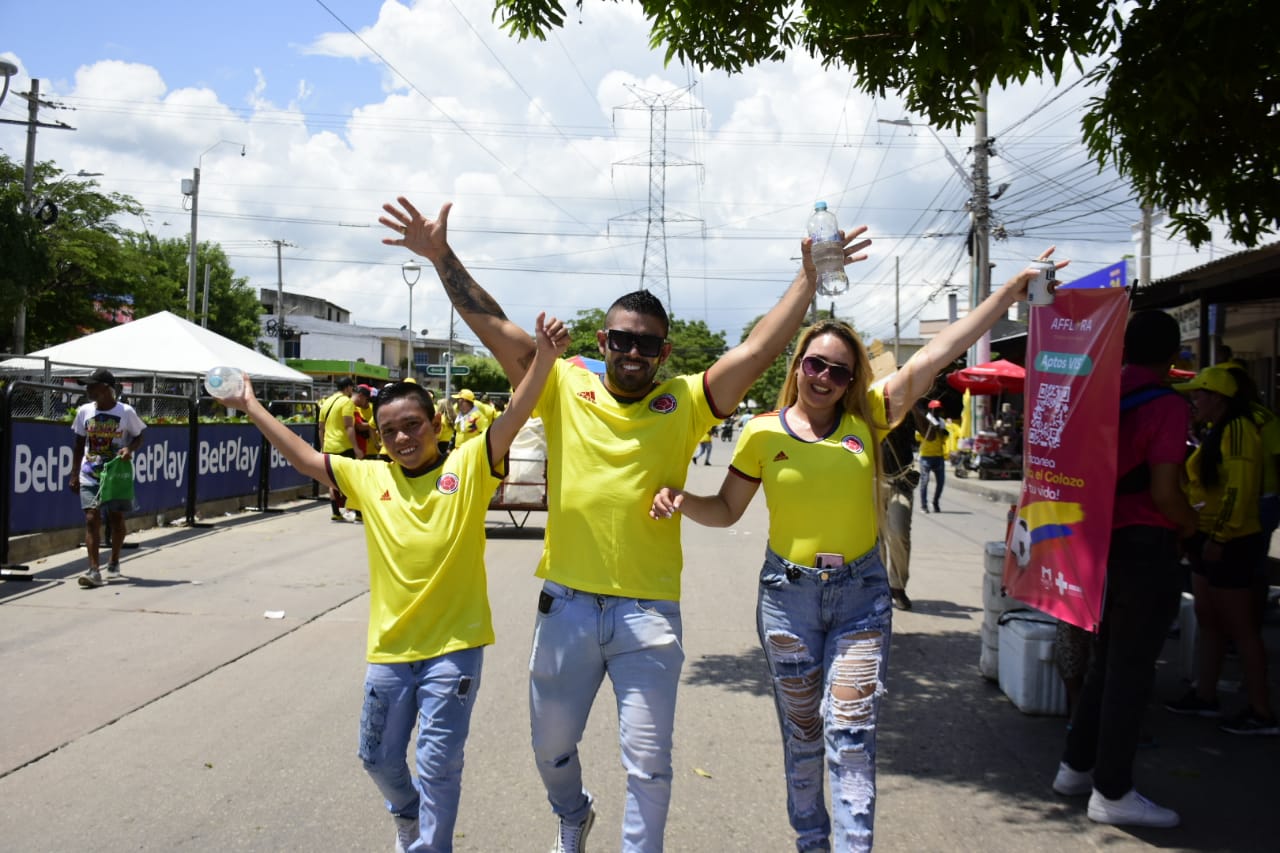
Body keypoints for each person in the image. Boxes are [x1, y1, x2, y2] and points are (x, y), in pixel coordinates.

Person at [379, 195, 871, 853]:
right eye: (620, 339)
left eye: (645, 342)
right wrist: (441, 255)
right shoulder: (564, 380)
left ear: (664, 351)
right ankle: (573, 810)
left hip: (648, 616)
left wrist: (808, 281)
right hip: (568, 607)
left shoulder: (687, 401)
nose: (632, 351)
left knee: (649, 764)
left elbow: (756, 349)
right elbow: (491, 323)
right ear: (602, 341)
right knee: (550, 748)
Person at [649, 251, 1065, 852]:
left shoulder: (870, 418)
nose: (823, 378)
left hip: (862, 600)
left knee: (851, 731)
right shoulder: (762, 432)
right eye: (815, 364)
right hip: (787, 601)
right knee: (803, 733)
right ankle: (811, 841)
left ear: (853, 381)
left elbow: (935, 354)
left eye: (839, 372)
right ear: (798, 366)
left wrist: (1007, 295)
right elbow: (727, 511)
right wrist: (681, 498)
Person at [220, 312, 568, 853]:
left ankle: (432, 846)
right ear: (380, 440)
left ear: (436, 425)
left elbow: (519, 410)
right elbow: (305, 457)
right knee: (376, 757)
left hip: (454, 648)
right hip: (390, 650)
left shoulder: (471, 465)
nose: (403, 437)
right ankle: (406, 813)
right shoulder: (369, 477)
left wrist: (544, 360)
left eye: (413, 425)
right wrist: (250, 406)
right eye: (390, 431)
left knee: (438, 763)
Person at [1051, 311, 1201, 828]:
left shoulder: (1095, 394)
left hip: (1092, 544)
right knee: (1131, 671)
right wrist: (1190, 526)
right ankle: (1112, 792)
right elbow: (1164, 492)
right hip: (1143, 547)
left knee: (1104, 660)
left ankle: (1075, 766)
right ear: (1173, 354)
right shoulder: (1165, 404)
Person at [1164, 365, 1277, 735]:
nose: (1194, 399)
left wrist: (1221, 537)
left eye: (1200, 394)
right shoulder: (1215, 430)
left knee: (1241, 629)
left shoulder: (1240, 430)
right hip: (1206, 537)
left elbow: (1240, 491)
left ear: (1219, 398)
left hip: (1229, 542)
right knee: (1209, 620)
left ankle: (1262, 712)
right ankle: (1205, 696)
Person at [68, 368, 146, 588]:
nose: (88, 389)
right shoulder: (84, 411)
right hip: (90, 474)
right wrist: (74, 473)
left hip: (115, 476)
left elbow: (140, 435)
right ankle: (94, 570)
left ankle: (114, 559)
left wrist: (130, 449)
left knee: (116, 519)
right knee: (92, 519)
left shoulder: (126, 412)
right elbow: (77, 444)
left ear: (105, 388)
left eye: (92, 385)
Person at [881, 401, 926, 610]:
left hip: (901, 480)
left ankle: (897, 586)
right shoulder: (868, 406)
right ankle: (878, 587)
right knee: (874, 538)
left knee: (899, 533)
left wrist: (914, 407)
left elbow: (930, 435)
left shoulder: (907, 409)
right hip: (873, 481)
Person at [320, 377, 355, 521]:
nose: (352, 390)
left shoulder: (326, 402)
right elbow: (348, 426)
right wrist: (356, 447)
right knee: (351, 479)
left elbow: (320, 428)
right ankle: (354, 512)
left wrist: (323, 446)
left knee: (332, 481)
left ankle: (335, 512)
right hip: (343, 446)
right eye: (351, 388)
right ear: (347, 388)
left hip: (329, 446)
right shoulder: (346, 402)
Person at [917, 399, 947, 513]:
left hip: (938, 456)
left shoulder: (941, 422)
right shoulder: (925, 421)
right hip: (926, 457)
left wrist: (942, 432)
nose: (937, 411)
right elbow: (917, 436)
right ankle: (923, 505)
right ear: (930, 410)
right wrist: (929, 430)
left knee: (941, 482)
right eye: (935, 409)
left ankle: (935, 502)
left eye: (938, 409)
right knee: (924, 481)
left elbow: (944, 438)